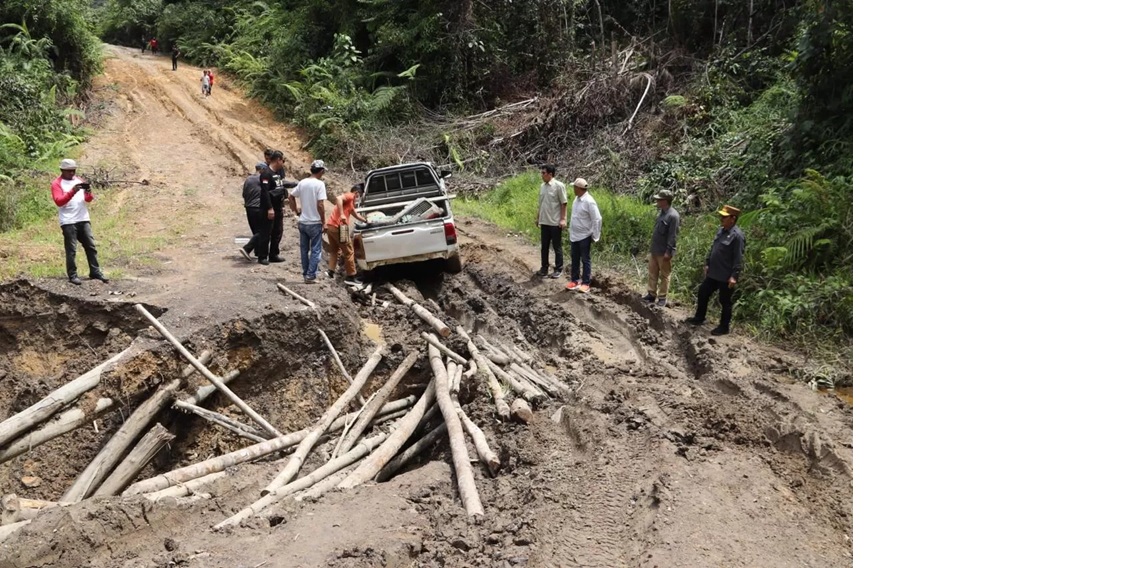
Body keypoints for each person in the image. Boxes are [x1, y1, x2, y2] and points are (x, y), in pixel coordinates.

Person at [685, 205, 745, 336]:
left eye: (724, 217)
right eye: (721, 216)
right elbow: (713, 249)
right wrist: (707, 263)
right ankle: (699, 317)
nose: (721, 218)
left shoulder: (737, 236)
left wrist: (734, 276)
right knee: (703, 292)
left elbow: (738, 258)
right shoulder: (721, 231)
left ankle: (724, 327)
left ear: (733, 219)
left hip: (725, 275)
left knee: (725, 301)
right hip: (714, 272)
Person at [51, 159, 108, 285]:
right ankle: (72, 275)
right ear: (62, 170)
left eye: (73, 170)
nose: (72, 173)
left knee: (91, 246)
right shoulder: (57, 183)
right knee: (71, 249)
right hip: (68, 220)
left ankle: (95, 271)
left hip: (83, 218)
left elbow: (88, 200)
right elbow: (59, 201)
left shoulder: (80, 180)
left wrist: (88, 192)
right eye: (69, 171)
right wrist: (73, 191)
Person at [288, 160, 328, 283]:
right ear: (321, 171)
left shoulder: (302, 183)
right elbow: (320, 204)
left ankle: (306, 273)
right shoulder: (319, 184)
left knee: (304, 250)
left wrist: (295, 211)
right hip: (314, 223)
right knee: (316, 249)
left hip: (303, 222)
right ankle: (311, 275)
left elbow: (291, 196)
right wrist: (324, 222)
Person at [323, 182, 367, 282]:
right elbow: (338, 198)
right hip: (341, 228)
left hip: (331, 226)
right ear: (357, 193)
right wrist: (342, 214)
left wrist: (366, 221)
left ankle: (330, 272)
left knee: (334, 250)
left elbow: (356, 214)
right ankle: (351, 276)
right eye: (359, 195)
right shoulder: (350, 196)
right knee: (349, 251)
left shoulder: (350, 204)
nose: (358, 198)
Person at [644, 189, 680, 307]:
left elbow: (672, 235)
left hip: (664, 251)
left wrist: (669, 251)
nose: (657, 201)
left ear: (665, 201)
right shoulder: (662, 213)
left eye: (659, 199)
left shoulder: (673, 216)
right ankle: (651, 294)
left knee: (664, 275)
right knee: (652, 273)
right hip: (655, 249)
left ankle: (662, 297)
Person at [564, 178, 601, 293]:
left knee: (585, 259)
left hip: (585, 235)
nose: (573, 189)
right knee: (574, 258)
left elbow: (597, 218)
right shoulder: (576, 199)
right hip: (574, 235)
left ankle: (586, 283)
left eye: (574, 187)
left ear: (579, 188)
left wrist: (595, 235)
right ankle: (575, 280)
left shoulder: (589, 201)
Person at [535, 164, 567, 279]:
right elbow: (541, 203)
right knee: (544, 246)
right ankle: (544, 268)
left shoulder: (559, 186)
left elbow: (564, 203)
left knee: (556, 246)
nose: (542, 175)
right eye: (541, 173)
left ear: (550, 174)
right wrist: (538, 217)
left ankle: (558, 269)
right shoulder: (542, 186)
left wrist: (563, 219)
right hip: (544, 221)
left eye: (543, 173)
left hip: (554, 222)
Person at [257, 151, 287, 264]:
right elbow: (265, 192)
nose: (283, 163)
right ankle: (262, 256)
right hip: (268, 208)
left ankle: (274, 254)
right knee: (266, 232)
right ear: (278, 160)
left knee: (277, 231)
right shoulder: (266, 174)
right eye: (282, 160)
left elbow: (280, 188)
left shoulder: (277, 174)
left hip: (278, 206)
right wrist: (269, 208)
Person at [239, 162, 269, 262]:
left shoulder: (248, 179)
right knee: (263, 231)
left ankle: (258, 252)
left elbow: (244, 194)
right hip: (258, 208)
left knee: (256, 231)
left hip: (248, 208)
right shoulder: (261, 179)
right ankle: (247, 248)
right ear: (262, 170)